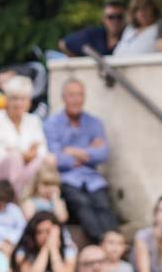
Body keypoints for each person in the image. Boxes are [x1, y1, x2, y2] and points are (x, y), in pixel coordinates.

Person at [41, 79, 117, 237]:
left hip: (92, 178)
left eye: (80, 95)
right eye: (72, 95)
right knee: (82, 204)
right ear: (63, 98)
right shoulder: (51, 124)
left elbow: (102, 154)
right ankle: (101, 242)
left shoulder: (94, 123)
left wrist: (72, 151)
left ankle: (113, 242)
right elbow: (55, 157)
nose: (76, 99)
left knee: (102, 204)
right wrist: (88, 153)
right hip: (67, 179)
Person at [0, 74, 50, 197]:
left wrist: (15, 150)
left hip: (25, 177)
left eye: (22, 99)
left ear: (29, 101)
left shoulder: (33, 121)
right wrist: (25, 154)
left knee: (43, 161)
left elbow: (41, 152)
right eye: (14, 98)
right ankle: (16, 201)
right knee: (14, 159)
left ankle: (23, 199)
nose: (18, 103)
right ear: (6, 100)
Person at [57, 0, 128, 59]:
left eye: (119, 17)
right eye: (110, 17)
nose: (115, 21)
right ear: (104, 19)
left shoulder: (130, 38)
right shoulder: (93, 35)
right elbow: (63, 44)